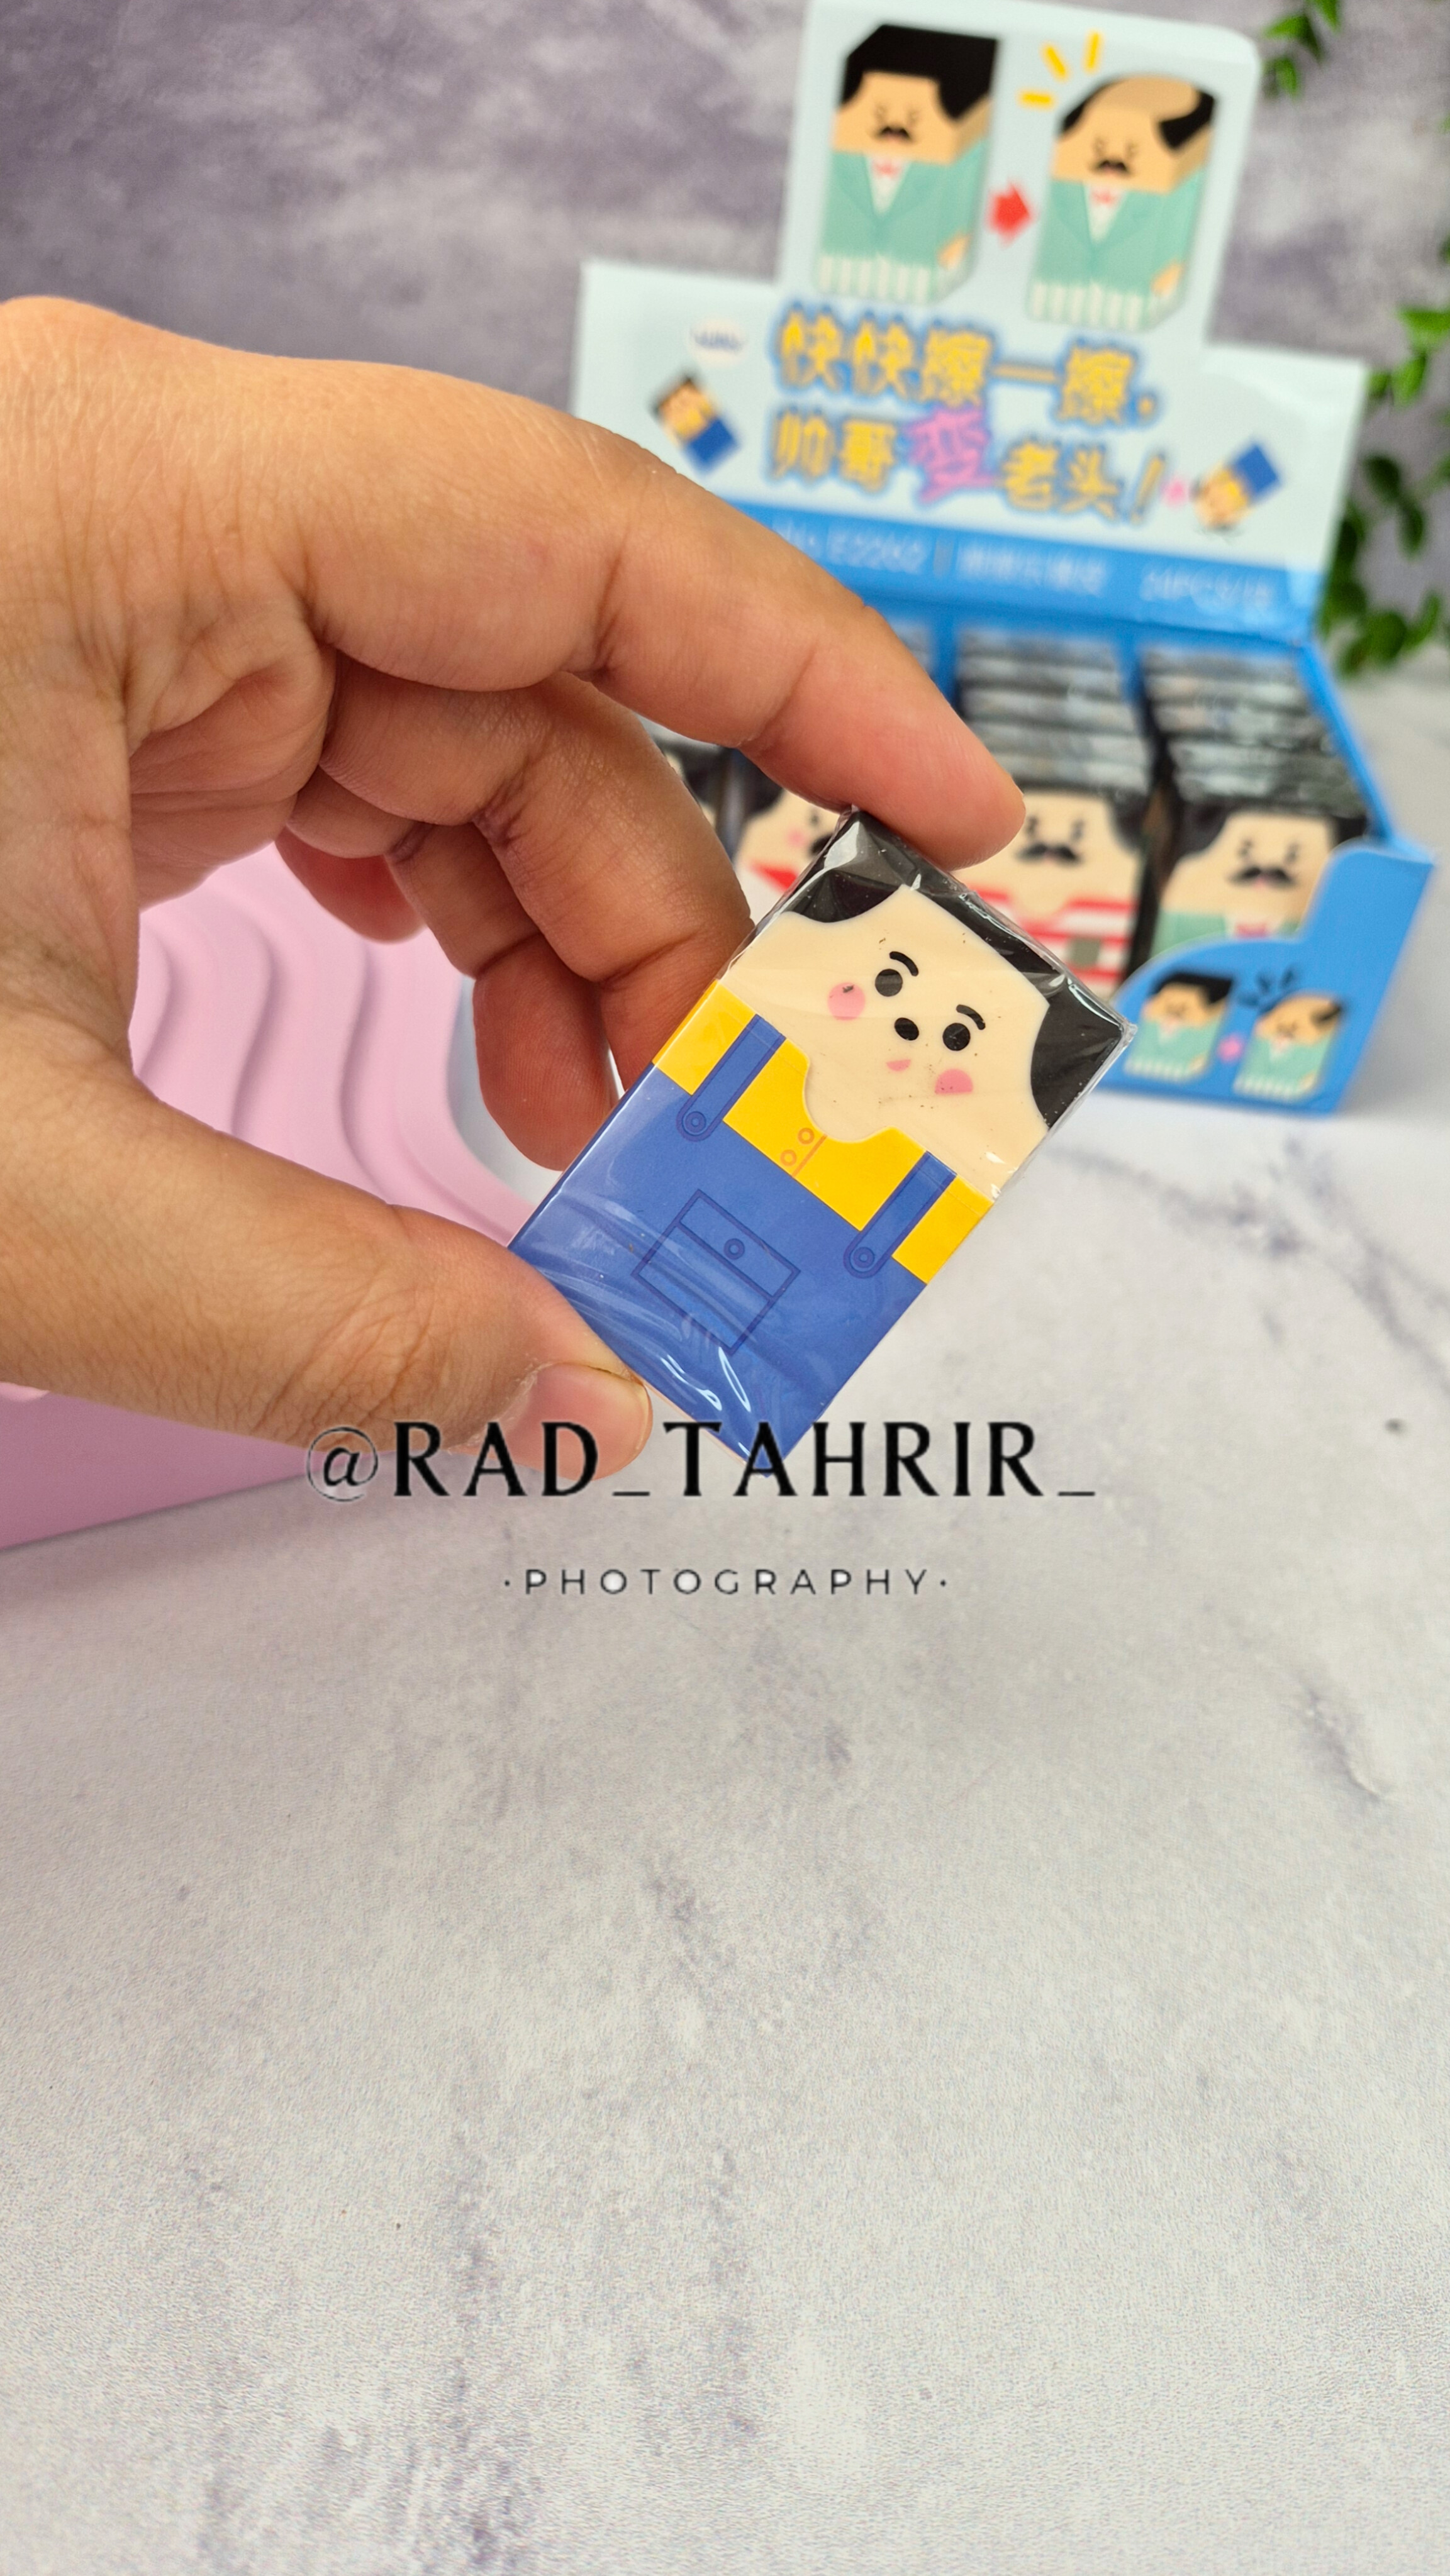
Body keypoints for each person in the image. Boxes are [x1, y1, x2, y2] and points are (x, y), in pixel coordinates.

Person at [0, 298, 1020, 1477]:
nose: (916, 1026)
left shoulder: (898, 1161)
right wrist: (412, 1363)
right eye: (905, 994)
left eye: (950, 1030)